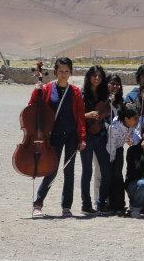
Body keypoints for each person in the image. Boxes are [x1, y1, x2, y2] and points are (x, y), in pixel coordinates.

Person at [31, 57, 87, 218]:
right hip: (53, 136)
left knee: (69, 172)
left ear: (71, 72)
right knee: (51, 170)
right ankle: (38, 203)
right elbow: (33, 106)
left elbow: (80, 117)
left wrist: (82, 137)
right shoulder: (47, 88)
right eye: (60, 71)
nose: (63, 74)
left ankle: (66, 207)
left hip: (71, 136)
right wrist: (37, 90)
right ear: (55, 72)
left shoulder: (75, 92)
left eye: (66, 71)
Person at [80, 65, 111, 214]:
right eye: (94, 75)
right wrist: (87, 115)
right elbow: (76, 115)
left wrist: (103, 114)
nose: (97, 78)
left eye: (99, 76)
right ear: (89, 77)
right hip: (86, 135)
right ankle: (86, 204)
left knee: (106, 170)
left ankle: (101, 202)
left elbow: (108, 111)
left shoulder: (105, 94)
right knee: (87, 171)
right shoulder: (82, 94)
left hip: (101, 136)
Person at [106, 102, 140, 214]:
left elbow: (137, 134)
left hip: (119, 148)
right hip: (109, 150)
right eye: (134, 119)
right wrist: (111, 162)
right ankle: (111, 205)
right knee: (111, 176)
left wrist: (133, 140)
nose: (136, 121)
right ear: (126, 119)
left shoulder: (132, 124)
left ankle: (120, 205)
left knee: (118, 176)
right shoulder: (114, 128)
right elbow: (110, 146)